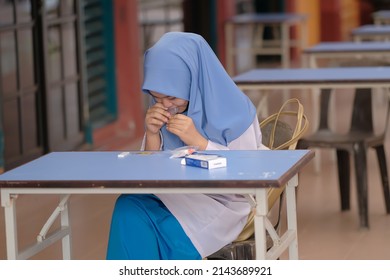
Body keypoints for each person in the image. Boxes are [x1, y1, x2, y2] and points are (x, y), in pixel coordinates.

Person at [106, 32, 265, 260]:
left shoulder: (236, 111)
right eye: (156, 98)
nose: (166, 106)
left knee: (160, 227)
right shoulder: (166, 109)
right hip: (174, 195)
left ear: (194, 79)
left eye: (172, 97)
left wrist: (200, 141)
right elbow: (150, 174)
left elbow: (249, 178)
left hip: (220, 203)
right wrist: (152, 134)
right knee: (128, 207)